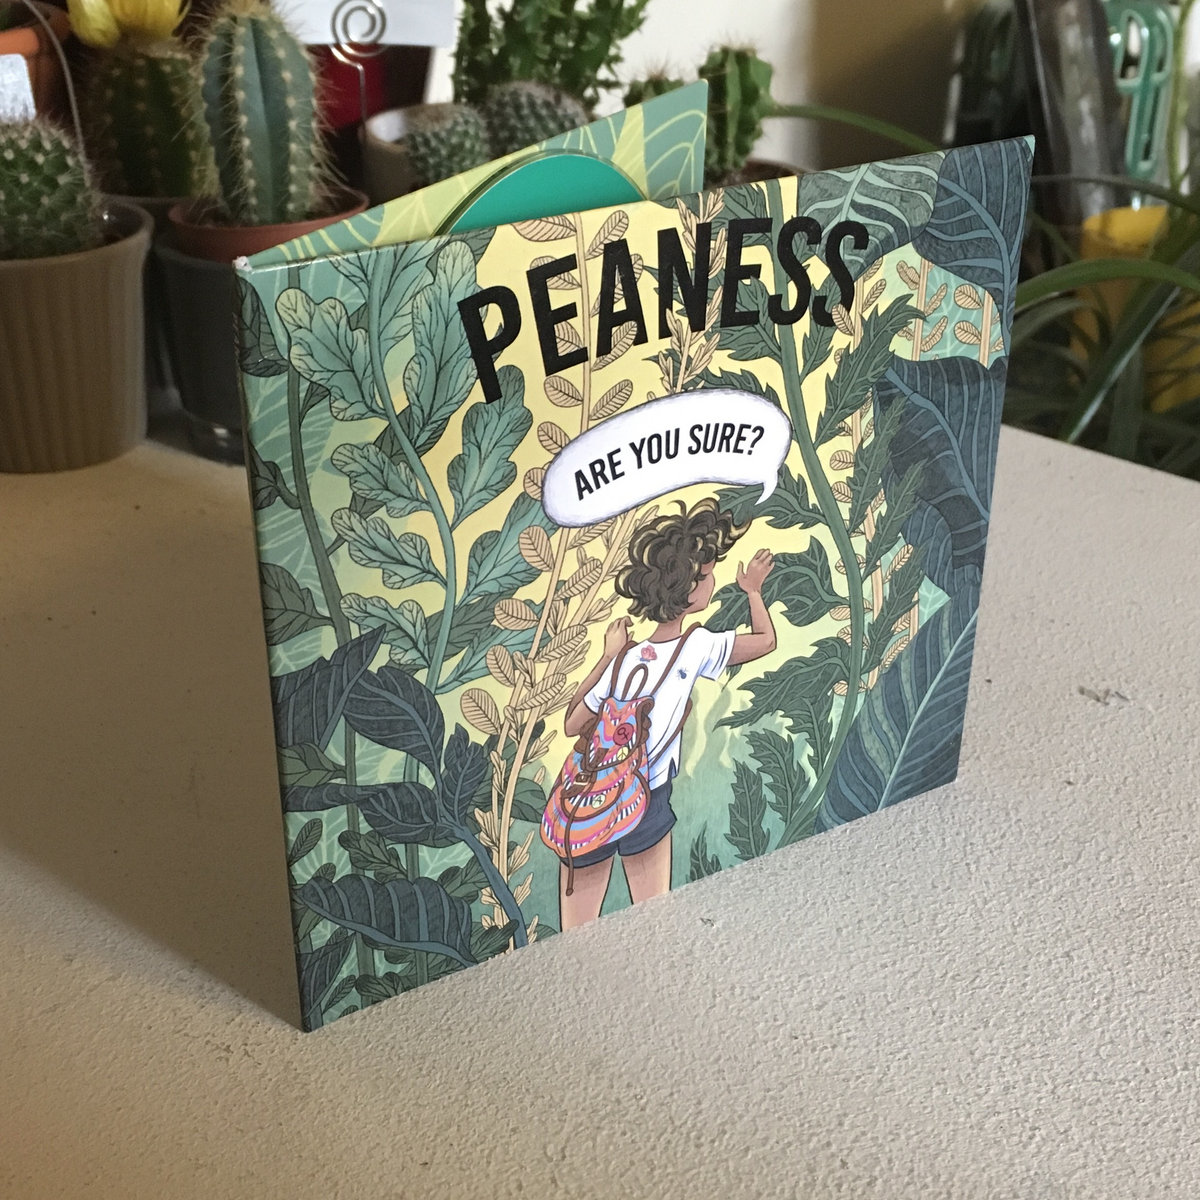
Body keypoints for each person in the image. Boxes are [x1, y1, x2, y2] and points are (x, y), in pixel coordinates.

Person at [557, 496, 777, 929]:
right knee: (655, 925)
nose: (712, 580)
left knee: (574, 937)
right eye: (708, 574)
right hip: (647, 797)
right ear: (688, 589)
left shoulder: (625, 657)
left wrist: (608, 656)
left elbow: (572, 724)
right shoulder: (695, 646)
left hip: (587, 797)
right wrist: (753, 591)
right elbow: (765, 640)